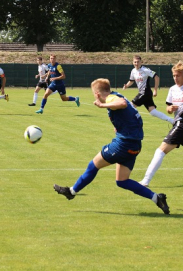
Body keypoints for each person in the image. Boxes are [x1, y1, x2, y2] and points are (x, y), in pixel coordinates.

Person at [53, 78, 170, 214]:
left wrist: (101, 105)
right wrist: (122, 127)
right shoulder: (117, 94)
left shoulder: (110, 98)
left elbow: (121, 104)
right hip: (134, 145)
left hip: (123, 145)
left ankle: (71, 191)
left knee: (93, 165)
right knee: (122, 181)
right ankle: (157, 198)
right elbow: (132, 115)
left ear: (97, 94)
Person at [123, 55, 174, 124]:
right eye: (135, 62)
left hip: (145, 92)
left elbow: (156, 77)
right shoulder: (133, 71)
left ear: (141, 62)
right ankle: (172, 121)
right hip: (144, 93)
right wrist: (126, 86)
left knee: (131, 106)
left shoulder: (145, 70)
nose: (136, 64)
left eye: (138, 62)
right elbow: (131, 81)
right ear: (132, 62)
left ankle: (131, 124)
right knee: (153, 111)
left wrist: (155, 90)